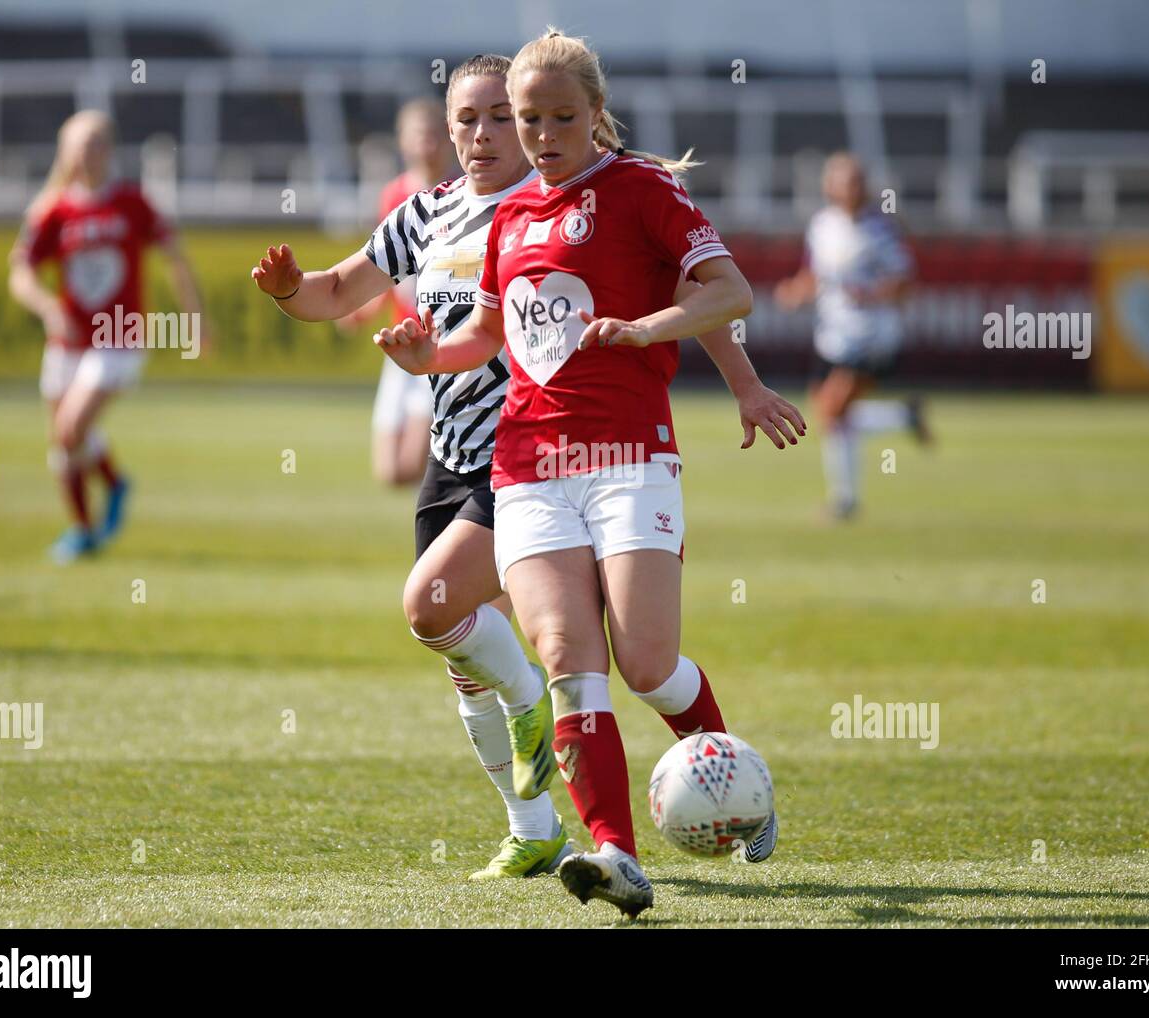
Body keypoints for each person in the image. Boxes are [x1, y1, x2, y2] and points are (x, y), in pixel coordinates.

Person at [257, 54, 802, 887]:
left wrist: (718, 369)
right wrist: (419, 355)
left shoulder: (633, 188)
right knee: (549, 658)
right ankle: (601, 849)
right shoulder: (463, 217)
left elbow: (711, 293)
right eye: (477, 119)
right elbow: (460, 326)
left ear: (587, 112)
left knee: (641, 664)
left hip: (618, 457)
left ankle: (722, 783)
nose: (505, 134)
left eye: (519, 118)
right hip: (512, 463)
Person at [9, 110, 206, 562]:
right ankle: (86, 524)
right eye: (80, 142)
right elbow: (20, 274)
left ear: (111, 149)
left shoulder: (132, 202)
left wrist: (195, 319)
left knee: (70, 428)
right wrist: (47, 307)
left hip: (119, 334)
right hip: (67, 342)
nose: (88, 151)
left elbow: (175, 257)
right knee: (65, 441)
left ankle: (107, 495)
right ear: (65, 151)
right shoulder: (51, 210)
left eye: (97, 141)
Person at [775, 151, 929, 520]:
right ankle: (902, 416)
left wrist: (872, 294)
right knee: (828, 416)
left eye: (857, 181)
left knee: (834, 410)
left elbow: (906, 283)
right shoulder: (822, 225)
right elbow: (814, 275)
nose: (851, 188)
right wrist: (796, 291)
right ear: (830, 186)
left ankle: (844, 501)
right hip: (833, 333)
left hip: (871, 335)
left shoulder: (881, 230)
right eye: (844, 180)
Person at [345, 98, 454, 485]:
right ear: (403, 141)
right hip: (398, 340)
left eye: (436, 135)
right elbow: (388, 271)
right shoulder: (394, 196)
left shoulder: (461, 195)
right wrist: (360, 307)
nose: (428, 144)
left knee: (412, 466)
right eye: (419, 134)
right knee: (389, 473)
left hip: (441, 346)